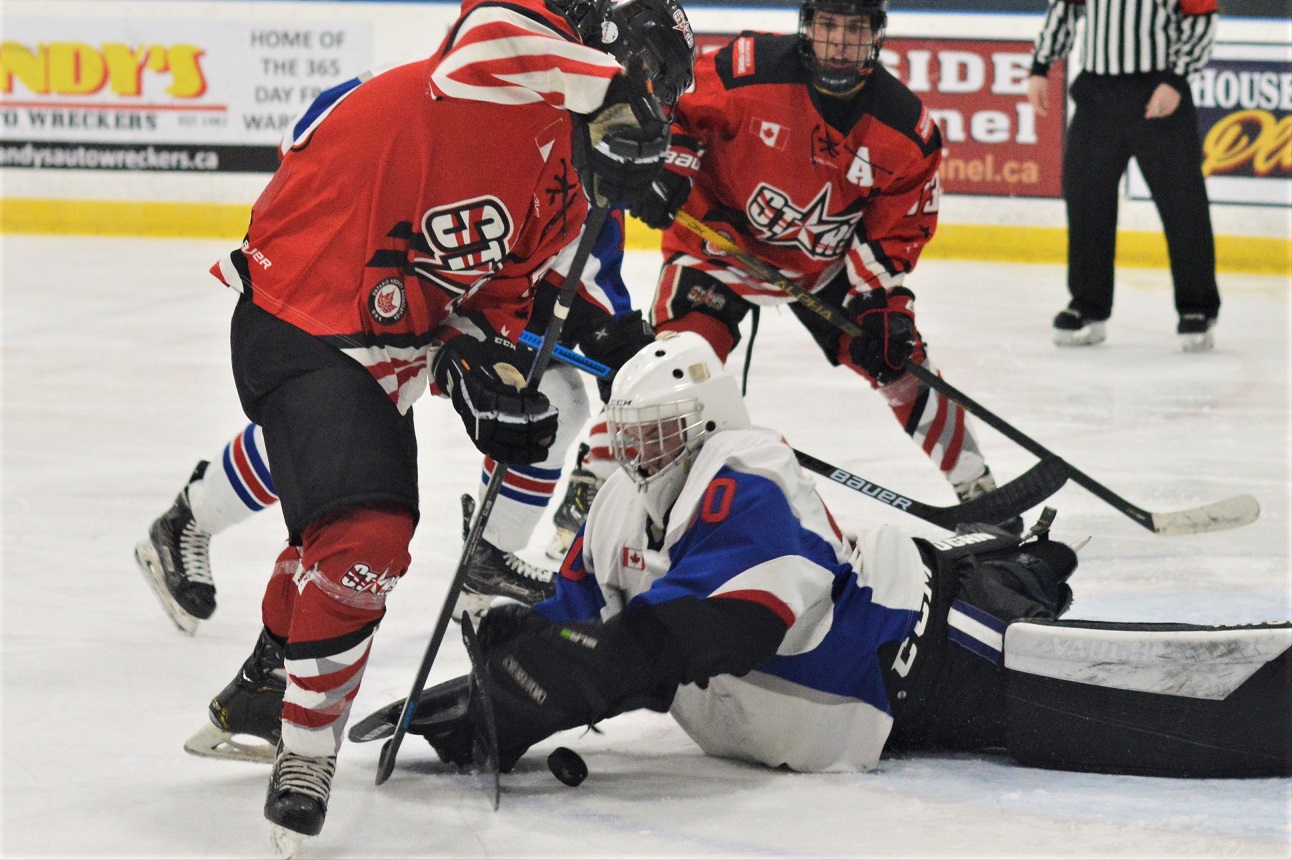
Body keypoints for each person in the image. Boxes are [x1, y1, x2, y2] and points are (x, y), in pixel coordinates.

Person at [173, 0, 696, 851]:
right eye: (649, 87)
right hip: (301, 307)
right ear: (599, 57)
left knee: (332, 527)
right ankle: (309, 752)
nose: (655, 113)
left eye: (662, 100)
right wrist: (608, 93)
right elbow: (478, 43)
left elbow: (484, 295)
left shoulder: (565, 193)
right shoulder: (513, 76)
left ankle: (267, 686)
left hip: (390, 334)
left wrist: (482, 367)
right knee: (370, 532)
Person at [356, 331, 1291, 782]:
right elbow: (576, 628)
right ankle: (1021, 559)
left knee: (1162, 701)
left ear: (709, 419)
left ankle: (1023, 566)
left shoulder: (746, 474)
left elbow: (709, 632)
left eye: (659, 434)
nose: (638, 457)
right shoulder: (618, 514)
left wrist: (568, 677)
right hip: (869, 681)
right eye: (628, 438)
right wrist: (507, 669)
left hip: (929, 654)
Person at [603, 0, 1019, 543]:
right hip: (717, 250)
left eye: (854, 28)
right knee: (668, 375)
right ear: (808, 27)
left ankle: (977, 488)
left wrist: (881, 302)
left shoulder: (904, 128)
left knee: (898, 359)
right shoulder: (750, 69)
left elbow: (897, 227)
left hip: (824, 267)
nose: (839, 42)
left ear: (876, 36)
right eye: (828, 25)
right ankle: (602, 493)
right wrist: (669, 169)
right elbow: (677, 108)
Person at [135, 211, 652, 635]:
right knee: (332, 426)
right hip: (391, 288)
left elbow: (581, 268)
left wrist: (608, 330)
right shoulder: (466, 106)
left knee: (556, 401)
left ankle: (487, 557)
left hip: (481, 314)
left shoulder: (590, 157)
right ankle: (189, 518)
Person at [1027, 0, 1222, 352]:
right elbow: (1065, 8)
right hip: (1097, 92)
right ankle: (1088, 305)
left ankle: (1198, 307)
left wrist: (1177, 79)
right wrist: (1041, 65)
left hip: (1158, 85)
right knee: (1087, 196)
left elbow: (1201, 17)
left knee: (1182, 202)